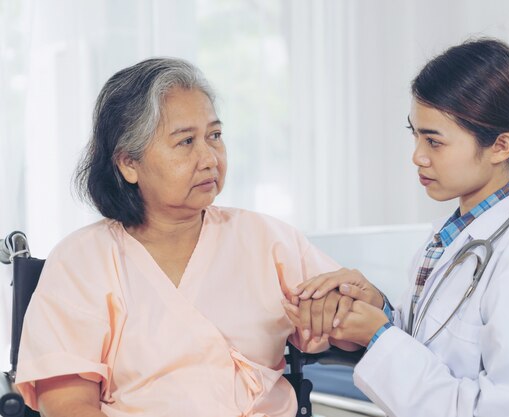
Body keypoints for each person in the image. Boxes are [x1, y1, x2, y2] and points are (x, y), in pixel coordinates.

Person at [284, 38, 509, 417]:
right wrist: (377, 309)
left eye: (434, 141)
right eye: (414, 134)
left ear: (500, 146)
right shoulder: (448, 240)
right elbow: (432, 349)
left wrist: (379, 337)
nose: (417, 155)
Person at [15, 57, 340, 417]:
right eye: (186, 142)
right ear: (128, 164)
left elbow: (356, 320)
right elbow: (68, 404)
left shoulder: (267, 239)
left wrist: (338, 310)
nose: (209, 158)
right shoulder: (82, 259)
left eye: (214, 136)